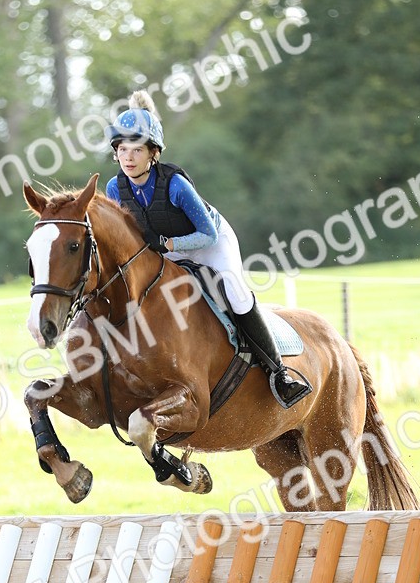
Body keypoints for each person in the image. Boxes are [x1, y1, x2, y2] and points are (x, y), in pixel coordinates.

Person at [104, 91, 312, 408]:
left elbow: (208, 233)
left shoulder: (175, 184)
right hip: (166, 249)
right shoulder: (113, 188)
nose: (128, 158)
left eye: (137, 150)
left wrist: (169, 245)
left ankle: (279, 374)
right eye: (122, 150)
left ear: (153, 153)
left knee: (237, 295)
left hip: (211, 242)